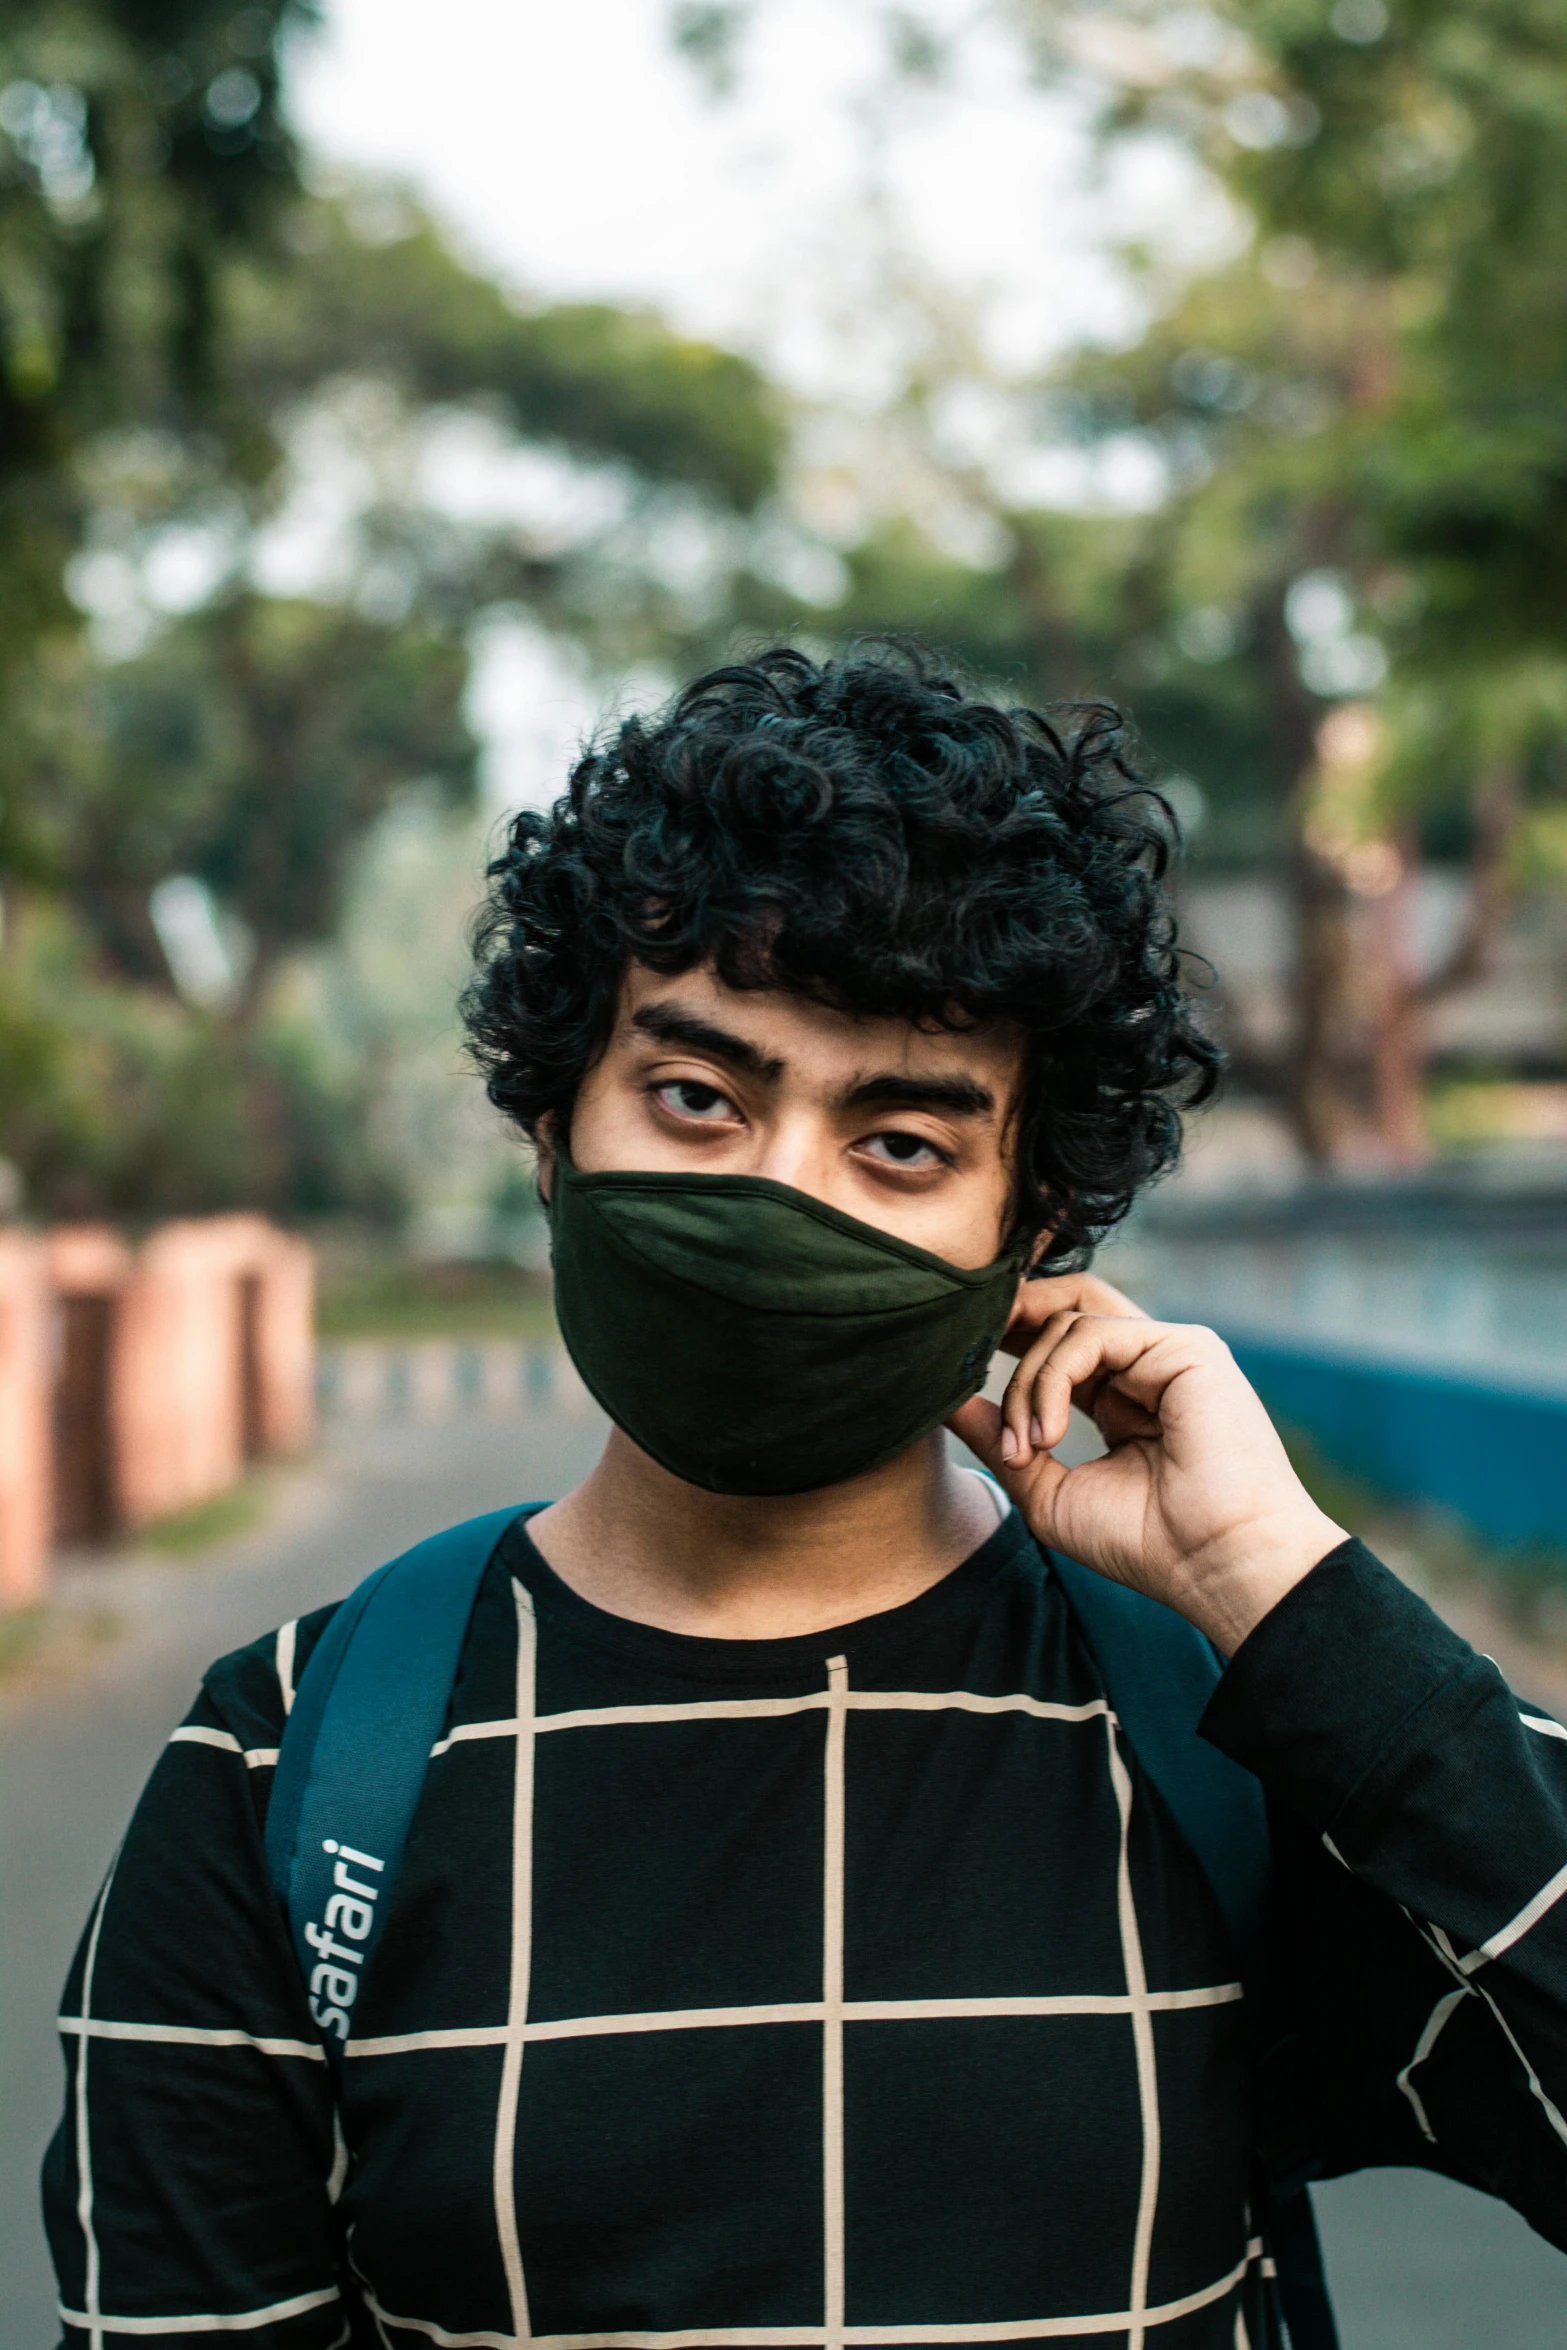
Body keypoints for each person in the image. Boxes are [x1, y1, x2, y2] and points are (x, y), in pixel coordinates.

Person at [43, 646, 1567, 2348]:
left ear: (1032, 1233)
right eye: (696, 1098)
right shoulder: (284, 1768)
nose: (775, 1200)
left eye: (900, 1144)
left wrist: (1281, 1583)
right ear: (553, 1126)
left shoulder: (1223, 1717)